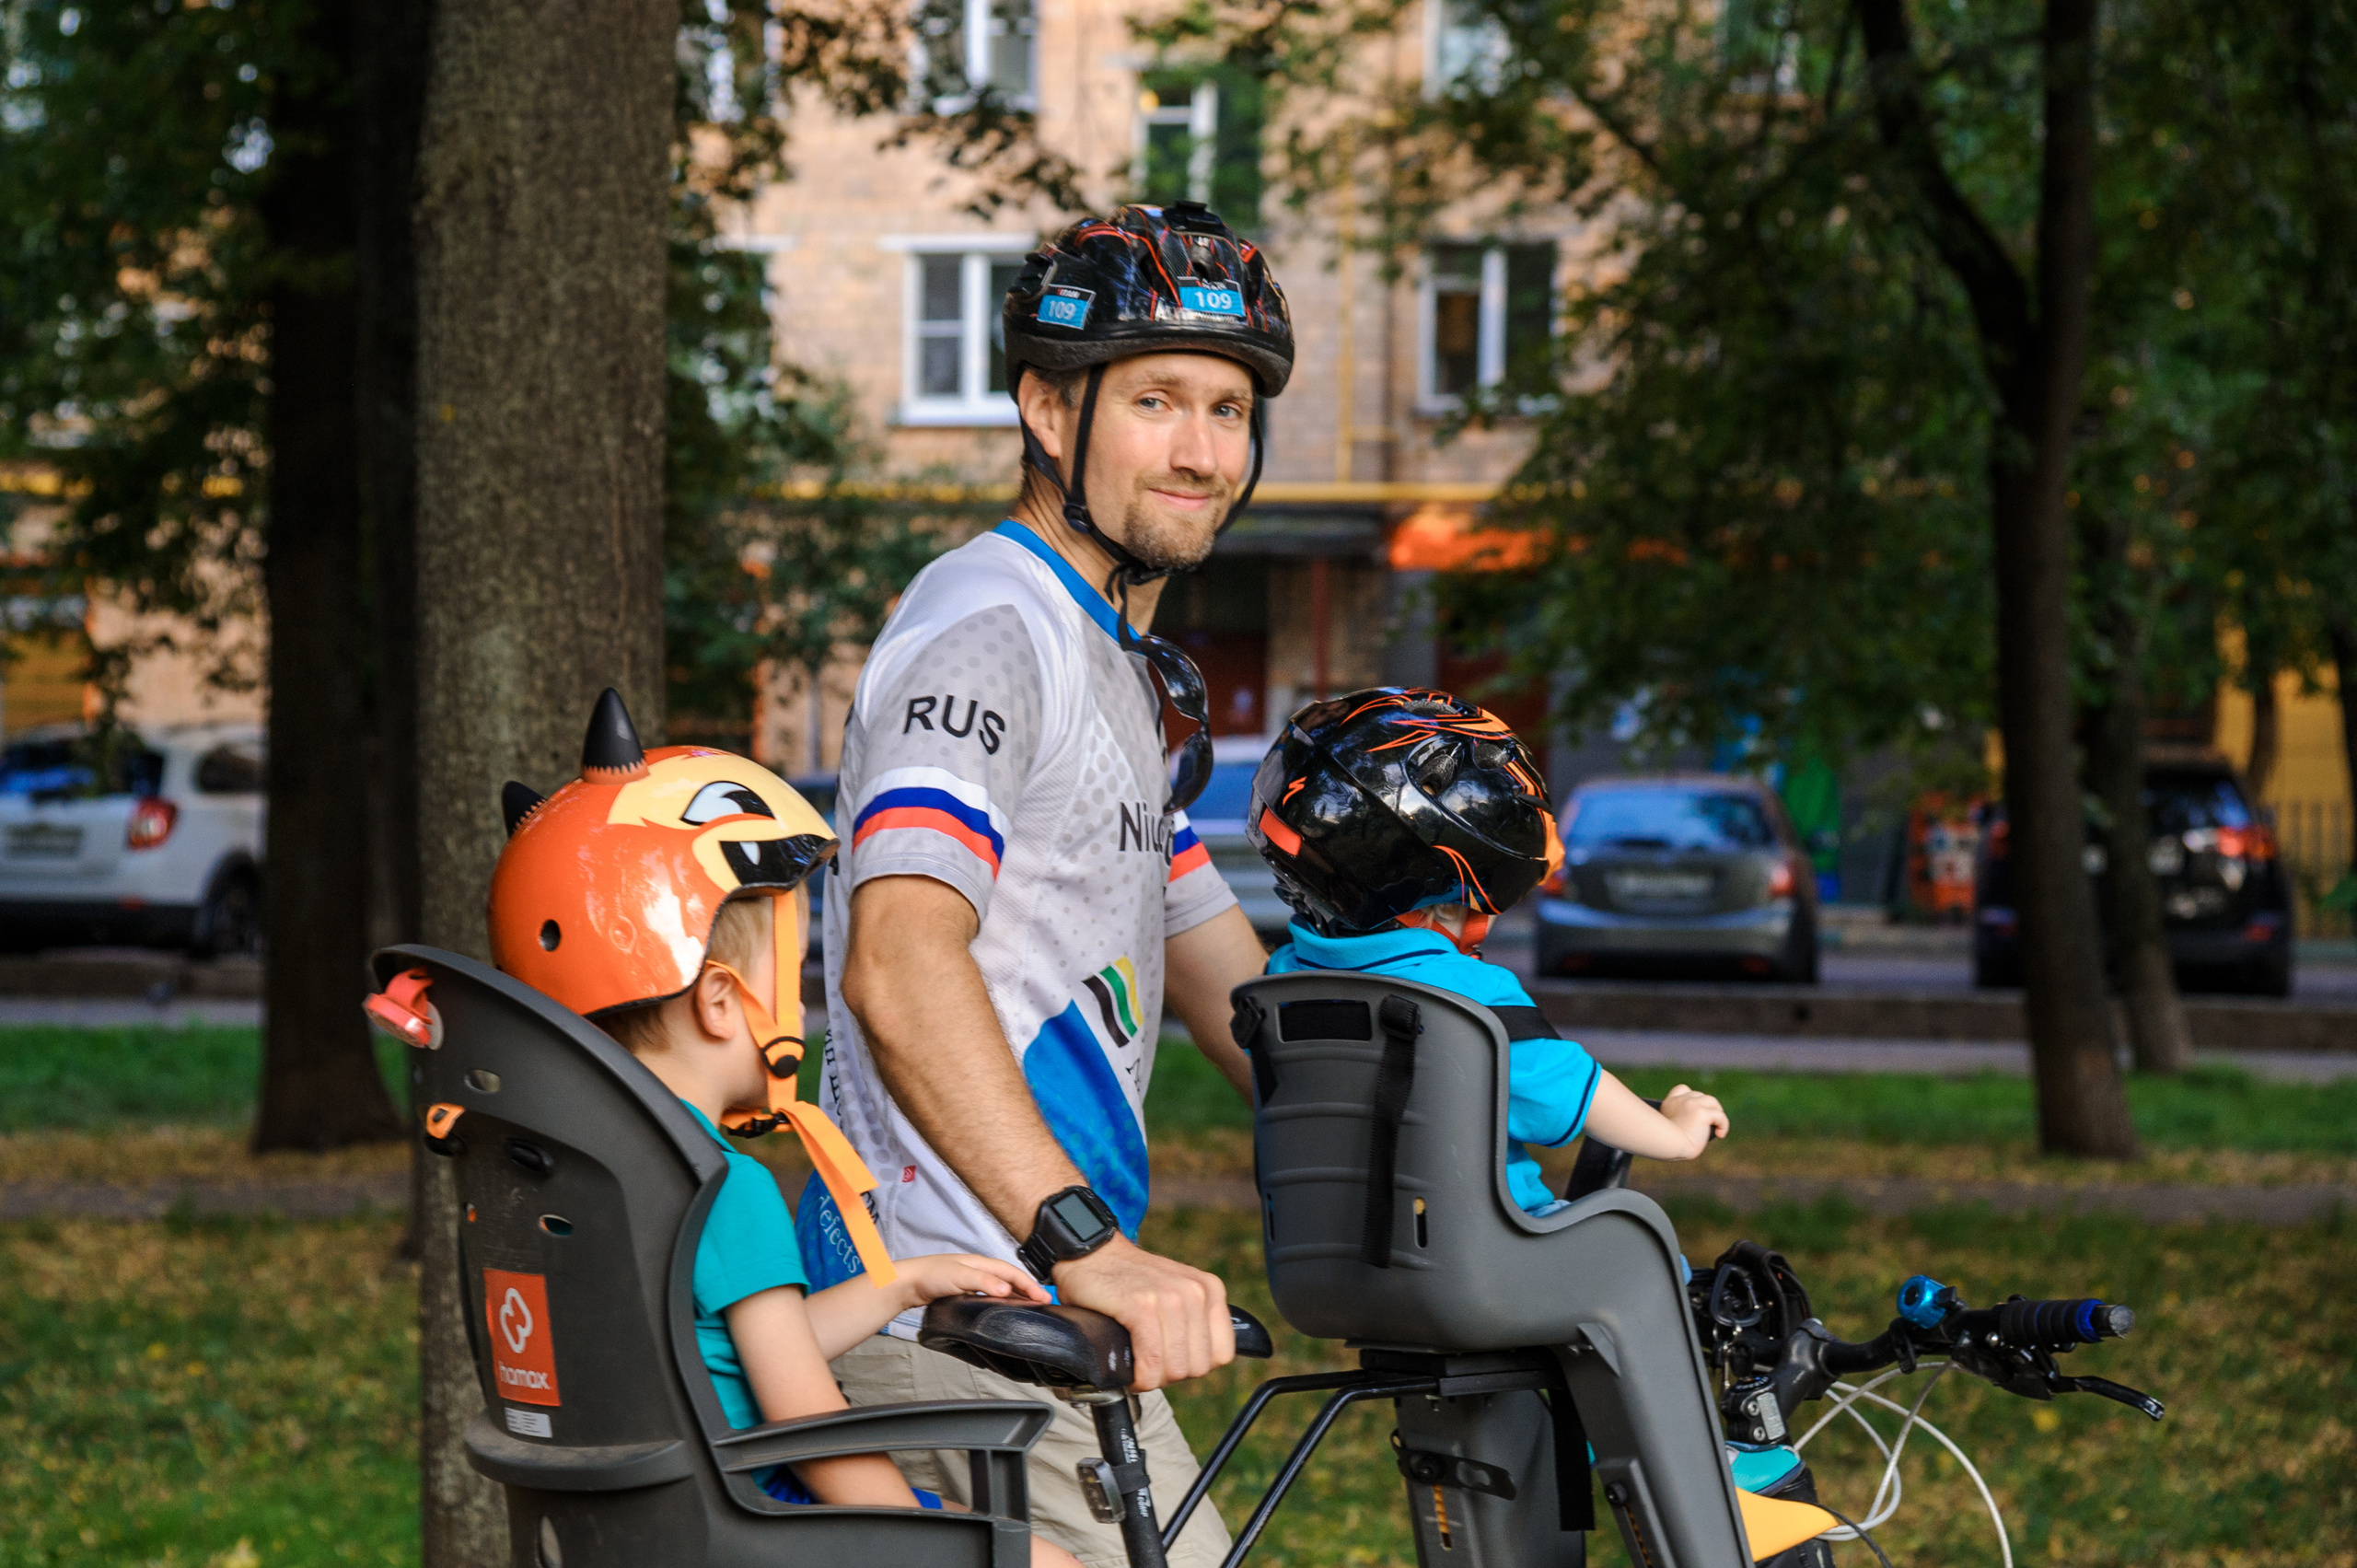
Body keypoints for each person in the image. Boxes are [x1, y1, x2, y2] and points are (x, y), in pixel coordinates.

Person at [805, 200, 1291, 1568]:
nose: (1203, 451)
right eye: (1156, 401)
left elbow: (1228, 982)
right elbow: (899, 957)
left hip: (1043, 1328)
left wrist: (1481, 1146)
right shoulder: (990, 629)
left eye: (1229, 410)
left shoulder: (1108, 666)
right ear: (1044, 405)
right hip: (954, 1328)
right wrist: (1086, 1242)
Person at [485, 690, 1081, 1566]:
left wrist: (901, 1283)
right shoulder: (721, 1185)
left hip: (635, 1532)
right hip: (758, 1525)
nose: (801, 1001)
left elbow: (732, 1346)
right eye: (793, 974)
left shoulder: (587, 1175)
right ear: (723, 1000)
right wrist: (937, 1541)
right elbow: (807, 1425)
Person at [1247, 688, 1730, 1205]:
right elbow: (1568, 1094)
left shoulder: (1283, 980)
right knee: (1651, 1258)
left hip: (1328, 1264)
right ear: (1448, 905)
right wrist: (1676, 1135)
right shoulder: (1465, 998)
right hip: (1498, 1264)